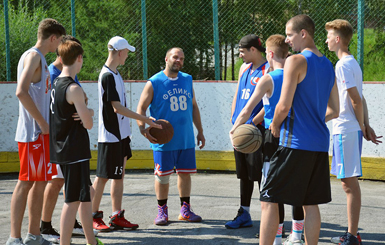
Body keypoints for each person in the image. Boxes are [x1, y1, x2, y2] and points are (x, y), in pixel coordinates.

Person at [258, 14, 340, 245]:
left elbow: (283, 105)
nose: (287, 39)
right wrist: (313, 120)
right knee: (310, 202)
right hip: (319, 144)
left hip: (294, 142)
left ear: (303, 33)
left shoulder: (295, 61)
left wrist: (274, 124)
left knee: (269, 198)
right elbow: (335, 109)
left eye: (290, 34)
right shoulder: (327, 64)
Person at [230, 34, 304, 245]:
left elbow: (253, 109)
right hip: (296, 136)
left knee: (272, 189)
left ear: (269, 53)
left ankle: (277, 237)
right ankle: (297, 235)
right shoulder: (297, 76)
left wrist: (236, 128)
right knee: (296, 186)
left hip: (273, 135)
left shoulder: (269, 77)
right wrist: (254, 121)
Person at [92, 36, 161, 232]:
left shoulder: (115, 74)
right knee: (102, 177)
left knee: (118, 176)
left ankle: (116, 216)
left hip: (121, 135)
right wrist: (144, 119)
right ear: (120, 52)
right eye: (127, 53)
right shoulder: (107, 76)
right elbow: (117, 108)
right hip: (110, 136)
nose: (127, 56)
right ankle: (93, 216)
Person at [7, 18, 66, 245]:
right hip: (34, 134)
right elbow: (21, 92)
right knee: (25, 182)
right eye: (59, 40)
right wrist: (42, 123)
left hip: (40, 135)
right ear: (53, 38)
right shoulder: (33, 56)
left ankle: (34, 235)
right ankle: (14, 237)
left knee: (40, 182)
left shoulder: (37, 57)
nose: (59, 45)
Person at [325, 19, 382, 245]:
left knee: (349, 184)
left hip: (346, 130)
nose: (326, 39)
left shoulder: (343, 65)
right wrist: (365, 125)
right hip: (349, 129)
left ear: (338, 39)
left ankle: (352, 235)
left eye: (329, 36)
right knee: (347, 183)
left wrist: (362, 126)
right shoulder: (352, 63)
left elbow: (356, 99)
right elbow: (360, 98)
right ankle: (352, 234)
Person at [136, 47, 206, 226]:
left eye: (181, 58)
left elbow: (194, 106)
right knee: (162, 177)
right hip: (163, 139)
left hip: (185, 138)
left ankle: (185, 210)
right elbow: (141, 108)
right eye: (175, 57)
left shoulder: (187, 79)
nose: (179, 61)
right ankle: (162, 211)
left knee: (185, 174)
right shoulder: (154, 82)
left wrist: (200, 131)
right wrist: (143, 129)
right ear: (166, 58)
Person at [41, 35, 93, 243]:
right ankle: (64, 242)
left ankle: (91, 240)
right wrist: (88, 112)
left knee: (85, 197)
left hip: (64, 149)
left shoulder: (56, 84)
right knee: (72, 201)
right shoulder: (73, 88)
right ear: (79, 58)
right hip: (74, 151)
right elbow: (88, 123)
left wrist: (84, 111)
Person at [226, 34, 268, 229]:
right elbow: (237, 95)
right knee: (244, 174)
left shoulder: (268, 69)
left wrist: (253, 122)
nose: (240, 55)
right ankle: (245, 213)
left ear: (253, 50)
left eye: (242, 51)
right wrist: (235, 120)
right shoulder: (244, 69)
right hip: (241, 128)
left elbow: (269, 103)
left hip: (256, 130)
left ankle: (270, 218)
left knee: (260, 175)